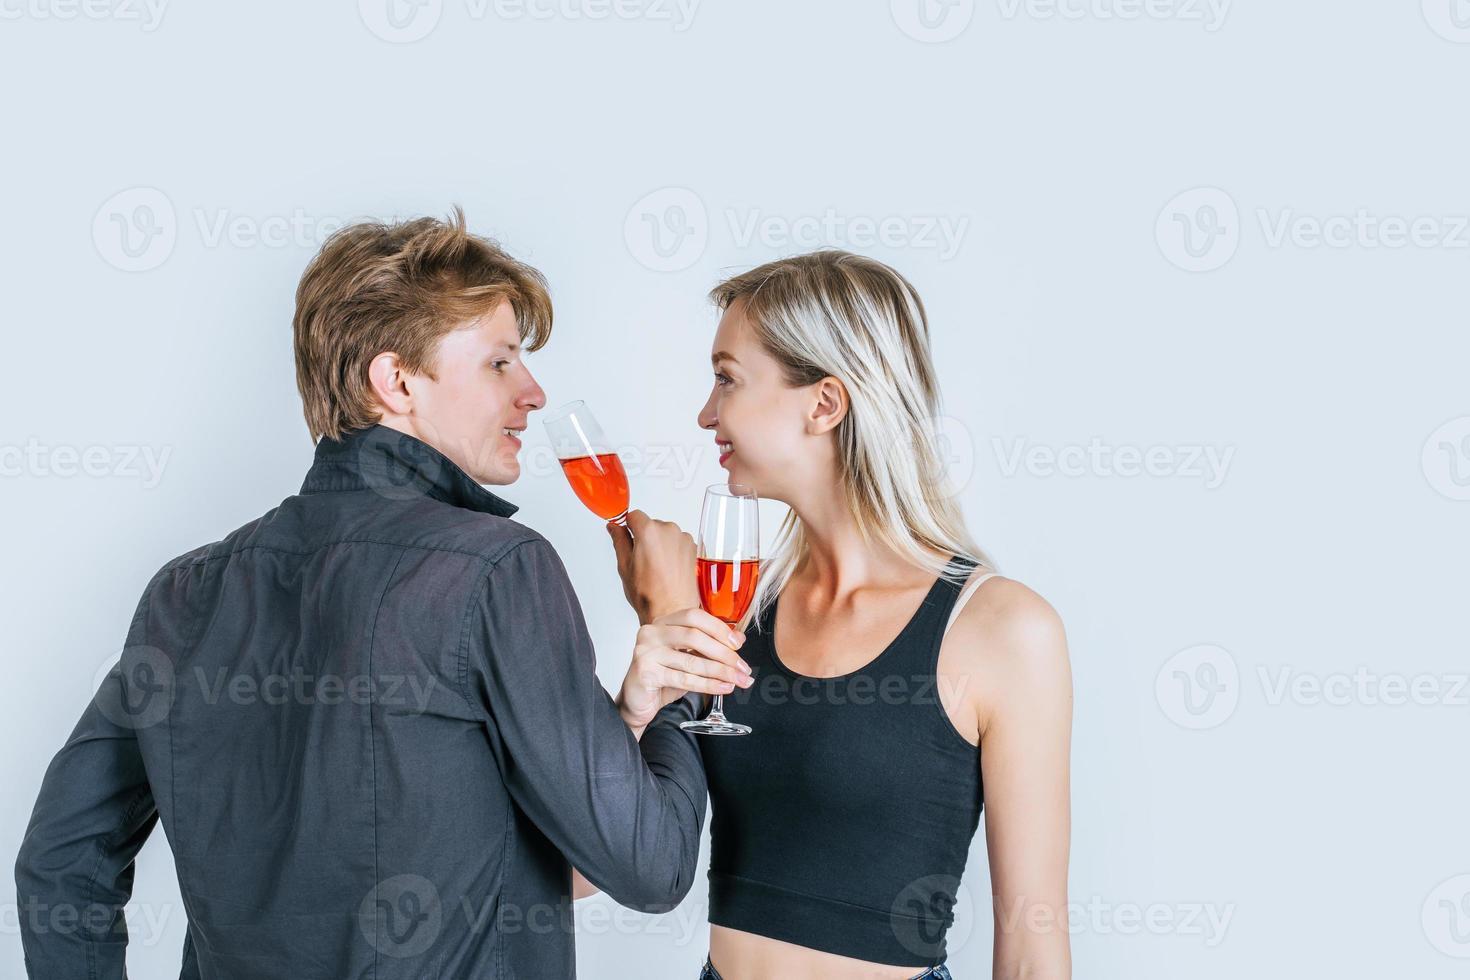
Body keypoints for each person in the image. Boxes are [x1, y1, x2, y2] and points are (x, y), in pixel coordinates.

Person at [13, 208, 750, 979]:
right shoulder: (499, 568)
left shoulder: (183, 592)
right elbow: (652, 866)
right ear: (395, 381)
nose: (533, 392)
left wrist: (629, 714)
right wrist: (677, 630)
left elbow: (61, 861)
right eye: (500, 363)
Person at [613, 251, 1074, 979]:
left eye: (727, 378)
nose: (706, 413)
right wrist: (636, 703)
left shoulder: (1003, 630)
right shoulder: (737, 610)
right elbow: (601, 862)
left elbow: (1033, 942)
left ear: (824, 403)